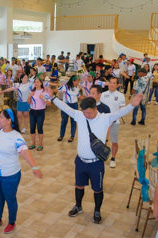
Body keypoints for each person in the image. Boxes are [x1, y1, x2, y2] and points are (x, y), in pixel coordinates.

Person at [54, 93, 143, 223]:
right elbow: (65, 107)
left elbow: (120, 112)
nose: (86, 115)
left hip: (96, 163)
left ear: (96, 109)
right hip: (80, 161)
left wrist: (132, 105)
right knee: (79, 185)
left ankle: (97, 210)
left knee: (97, 189)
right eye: (84, 112)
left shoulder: (105, 118)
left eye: (89, 112)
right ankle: (78, 206)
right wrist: (53, 98)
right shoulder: (80, 116)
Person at [100, 76, 126, 168]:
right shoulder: (103, 94)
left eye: (114, 83)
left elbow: (122, 110)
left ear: (117, 85)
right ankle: (102, 157)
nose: (111, 84)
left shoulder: (120, 96)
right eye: (110, 82)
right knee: (103, 141)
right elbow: (99, 108)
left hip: (115, 122)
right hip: (103, 122)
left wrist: (114, 118)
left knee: (114, 141)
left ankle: (113, 158)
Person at [27, 77, 51, 151]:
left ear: (41, 83)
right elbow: (28, 102)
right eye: (35, 82)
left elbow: (49, 104)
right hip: (32, 111)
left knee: (39, 127)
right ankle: (33, 143)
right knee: (32, 127)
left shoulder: (44, 93)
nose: (36, 83)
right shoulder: (32, 92)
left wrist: (43, 98)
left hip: (40, 111)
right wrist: (29, 96)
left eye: (38, 82)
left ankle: (40, 144)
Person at [58, 76, 81, 143]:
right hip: (65, 105)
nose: (77, 82)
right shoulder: (65, 87)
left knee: (73, 121)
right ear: (73, 81)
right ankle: (61, 135)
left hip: (74, 105)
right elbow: (57, 90)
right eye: (76, 81)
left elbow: (79, 96)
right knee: (64, 121)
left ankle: (72, 136)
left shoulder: (77, 88)